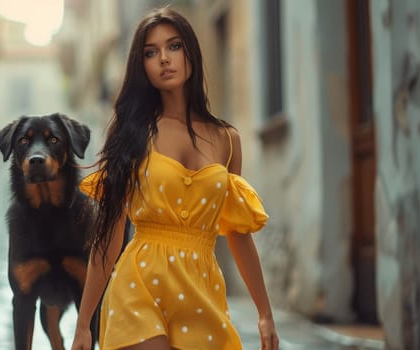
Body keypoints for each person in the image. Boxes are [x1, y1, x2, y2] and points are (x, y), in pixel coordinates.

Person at [71, 6, 279, 350]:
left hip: (202, 290)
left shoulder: (228, 140)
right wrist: (83, 324)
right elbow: (109, 235)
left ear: (191, 54)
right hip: (139, 285)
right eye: (151, 53)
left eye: (174, 46)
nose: (164, 59)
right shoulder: (130, 133)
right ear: (143, 67)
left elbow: (238, 233)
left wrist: (265, 312)